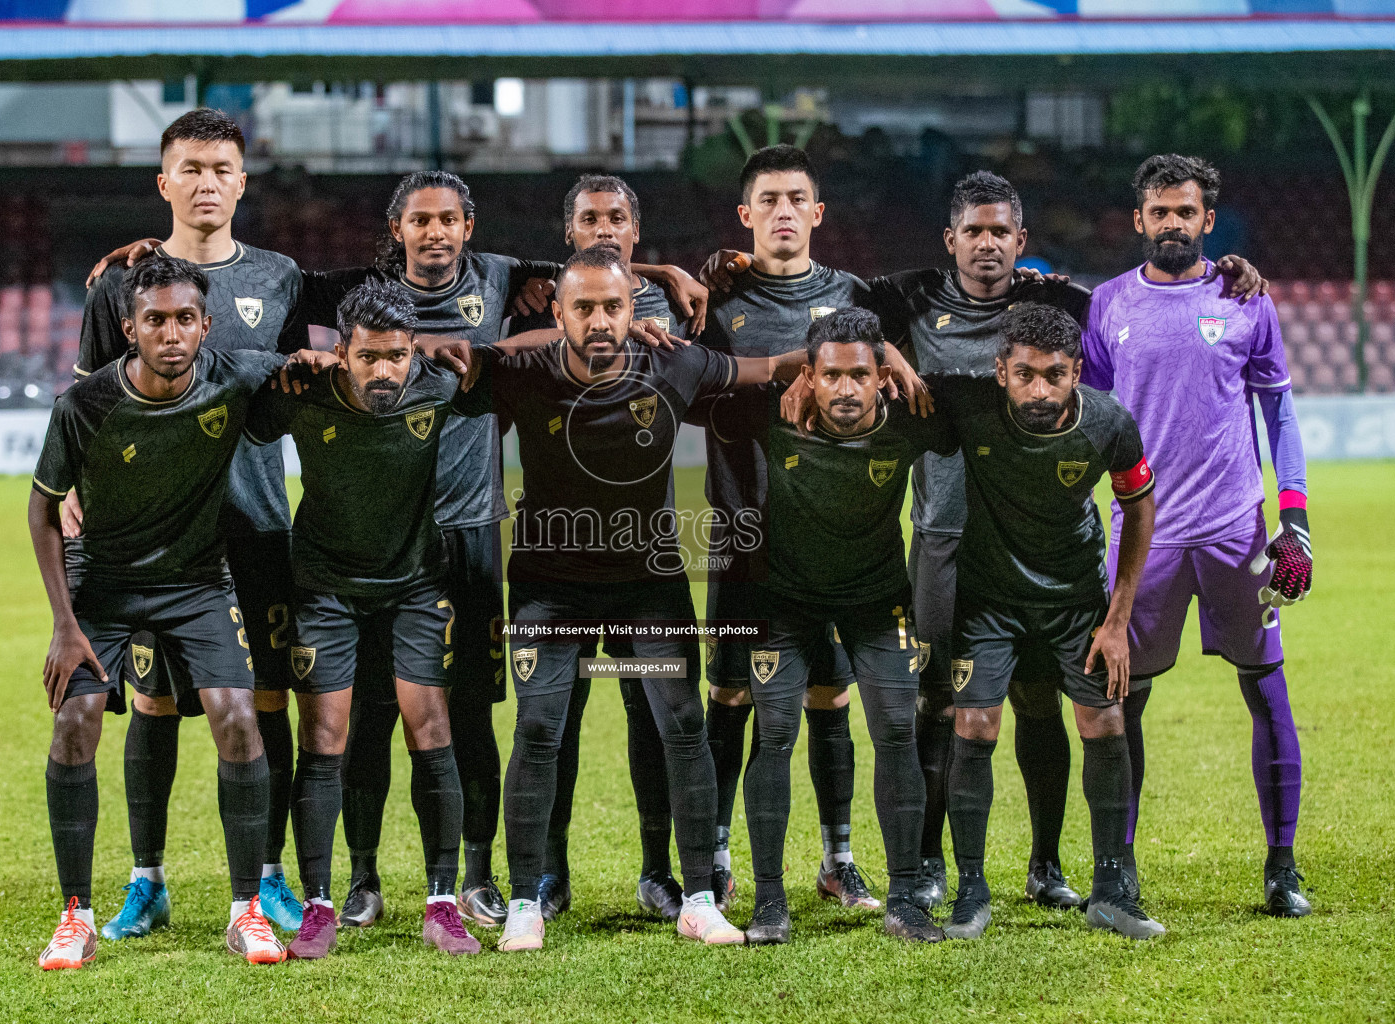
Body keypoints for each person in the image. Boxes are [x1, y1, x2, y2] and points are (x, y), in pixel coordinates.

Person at [738, 168, 1267, 911]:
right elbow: (833, 313)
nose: (986, 244)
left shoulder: (1054, 302)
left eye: (1000, 232)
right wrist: (725, 267)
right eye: (973, 231)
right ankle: (923, 865)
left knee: (1039, 701)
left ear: (1021, 242)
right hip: (943, 538)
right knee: (936, 703)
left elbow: (1141, 300)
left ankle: (1045, 865)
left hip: (1038, 540)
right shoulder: (907, 296)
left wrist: (1224, 276)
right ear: (951, 238)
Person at [456, 244, 919, 951]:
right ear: (558, 313)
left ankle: (699, 898)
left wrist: (881, 354)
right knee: (540, 728)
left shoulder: (670, 360)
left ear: (632, 309)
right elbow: (454, 351)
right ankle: (524, 901)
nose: (601, 322)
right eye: (583, 309)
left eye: (613, 306)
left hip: (649, 586)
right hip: (551, 591)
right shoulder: (526, 368)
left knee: (681, 724)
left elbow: (764, 368)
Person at [283, 170, 705, 930]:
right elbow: (286, 286)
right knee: (374, 709)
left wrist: (660, 274)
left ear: (469, 226)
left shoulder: (504, 275)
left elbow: (589, 269)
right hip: (386, 530)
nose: (437, 232)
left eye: (450, 219)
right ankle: (364, 877)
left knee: (473, 712)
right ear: (398, 228)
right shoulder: (366, 292)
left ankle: (479, 872)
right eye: (421, 220)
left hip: (471, 525)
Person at [29, 254, 314, 968]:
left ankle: (246, 909)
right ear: (131, 327)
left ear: (205, 325)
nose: (171, 332)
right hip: (103, 584)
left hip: (196, 581)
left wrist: (316, 362)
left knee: (238, 717)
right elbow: (40, 509)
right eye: (155, 319)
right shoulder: (85, 405)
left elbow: (295, 375)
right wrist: (65, 626)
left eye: (185, 318)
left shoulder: (235, 377)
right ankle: (76, 915)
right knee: (75, 720)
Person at [74, 109, 308, 936]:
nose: (206, 182)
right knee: (154, 703)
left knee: (267, 701)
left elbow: (291, 398)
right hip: (152, 543)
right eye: (190, 167)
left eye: (221, 168)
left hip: (256, 525)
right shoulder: (120, 284)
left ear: (242, 181)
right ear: (164, 181)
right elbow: (90, 408)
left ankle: (270, 877)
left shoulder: (282, 278)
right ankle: (149, 879)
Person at [1082, 154, 1312, 917]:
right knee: (1123, 700)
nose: (1173, 223)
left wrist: (1296, 518)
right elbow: (1085, 420)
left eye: (1187, 212)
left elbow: (1278, 412)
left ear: (1207, 221)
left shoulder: (1246, 299)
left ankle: (1282, 868)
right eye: (1160, 211)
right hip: (1141, 536)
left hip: (1235, 530)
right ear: (1139, 218)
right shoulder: (1108, 305)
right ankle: (1118, 869)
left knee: (1264, 681)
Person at [242, 280, 493, 957]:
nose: (384, 372)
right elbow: (248, 422)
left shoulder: (439, 387)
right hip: (324, 586)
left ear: (413, 352)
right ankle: (319, 903)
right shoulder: (305, 393)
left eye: (396, 357)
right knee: (325, 734)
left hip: (415, 582)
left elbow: (520, 369)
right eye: (368, 358)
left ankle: (443, 903)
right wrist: (285, 366)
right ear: (340, 353)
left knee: (430, 725)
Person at [927, 303, 1162, 940]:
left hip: (1075, 598)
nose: (1039, 390)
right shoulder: (968, 405)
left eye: (1054, 376)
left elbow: (1139, 507)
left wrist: (1117, 620)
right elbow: (895, 383)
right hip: (988, 599)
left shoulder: (1107, 421)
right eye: (1025, 374)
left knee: (1104, 720)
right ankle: (971, 892)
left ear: (1076, 372)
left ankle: (1112, 889)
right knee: (974, 724)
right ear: (1000, 370)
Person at [694, 145, 888, 912]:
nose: (782, 210)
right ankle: (712, 854)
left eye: (795, 197)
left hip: (837, 543)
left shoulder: (853, 299)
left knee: (830, 699)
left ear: (816, 213)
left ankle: (839, 859)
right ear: (746, 216)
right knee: (731, 695)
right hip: (745, 536)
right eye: (767, 198)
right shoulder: (718, 306)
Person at [508, 173, 697, 921]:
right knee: (557, 717)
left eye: (617, 216)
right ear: (567, 234)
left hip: (641, 568)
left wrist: (667, 280)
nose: (604, 227)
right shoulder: (537, 298)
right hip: (557, 570)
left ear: (636, 230)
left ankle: (660, 869)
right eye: (590, 217)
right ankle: (549, 874)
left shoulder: (673, 309)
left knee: (654, 717)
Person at [743, 307, 952, 945]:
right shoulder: (768, 415)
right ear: (809, 376)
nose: (846, 390)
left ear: (881, 376)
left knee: (894, 730)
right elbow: (691, 379)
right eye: (831, 375)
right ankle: (770, 901)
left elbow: (987, 402)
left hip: (876, 600)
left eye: (861, 374)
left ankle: (906, 898)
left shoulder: (914, 421)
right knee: (773, 734)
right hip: (783, 603)